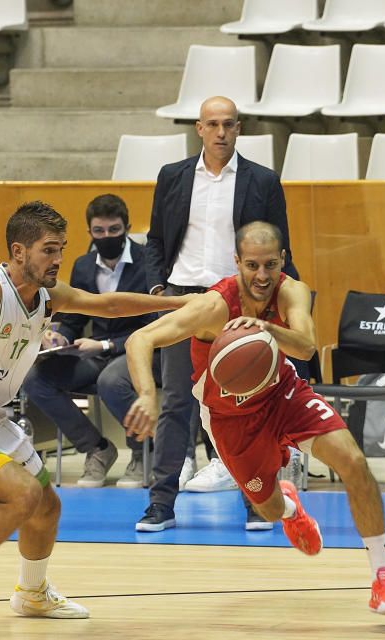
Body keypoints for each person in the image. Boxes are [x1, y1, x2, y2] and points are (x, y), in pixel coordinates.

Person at [0, 201, 191, 637]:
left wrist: (183, 303)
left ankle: (32, 595)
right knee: (20, 495)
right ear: (19, 251)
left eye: (61, 250)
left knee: (46, 505)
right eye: (48, 251)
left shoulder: (46, 296)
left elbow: (107, 305)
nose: (58, 260)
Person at [124, 221, 385, 617]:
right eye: (253, 266)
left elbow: (308, 347)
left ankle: (384, 578)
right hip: (231, 419)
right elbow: (139, 339)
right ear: (237, 262)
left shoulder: (290, 290)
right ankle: (291, 508)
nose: (262, 276)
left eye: (271, 265)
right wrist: (146, 394)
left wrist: (265, 328)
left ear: (283, 261)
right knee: (268, 509)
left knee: (354, 463)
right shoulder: (214, 305)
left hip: (283, 394)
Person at [140, 95, 299, 531]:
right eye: (213, 124)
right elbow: (156, 241)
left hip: (238, 301)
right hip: (185, 299)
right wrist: (159, 290)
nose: (221, 132)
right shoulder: (172, 176)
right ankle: (161, 505)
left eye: (229, 124)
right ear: (199, 129)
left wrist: (285, 305)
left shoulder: (262, 181)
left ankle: (257, 502)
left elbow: (281, 247)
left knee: (247, 404)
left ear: (239, 128)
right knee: (176, 403)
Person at [22, 194, 160, 488]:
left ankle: (142, 450)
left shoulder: (149, 261)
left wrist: (106, 345)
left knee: (112, 380)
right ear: (89, 232)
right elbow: (74, 319)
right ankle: (96, 449)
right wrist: (59, 335)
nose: (106, 237)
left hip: (140, 352)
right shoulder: (84, 265)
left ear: (126, 227)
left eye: (114, 230)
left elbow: (154, 324)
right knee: (35, 379)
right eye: (99, 231)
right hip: (94, 355)